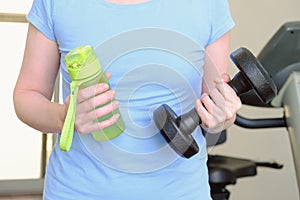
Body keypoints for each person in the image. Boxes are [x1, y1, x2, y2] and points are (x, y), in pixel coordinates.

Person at [13, 0, 241, 199]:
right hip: (77, 191)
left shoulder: (208, 3)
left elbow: (216, 111)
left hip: (180, 192)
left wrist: (224, 114)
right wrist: (66, 117)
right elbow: (27, 95)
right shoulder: (55, 3)